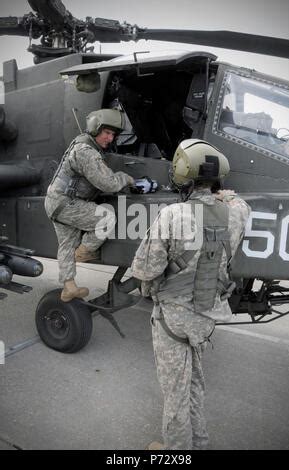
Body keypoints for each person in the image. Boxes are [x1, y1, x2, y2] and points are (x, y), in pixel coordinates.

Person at [131, 139, 251, 450]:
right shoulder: (239, 213)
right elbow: (236, 203)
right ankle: (198, 444)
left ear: (183, 176)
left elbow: (144, 270)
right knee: (195, 383)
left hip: (173, 319)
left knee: (175, 393)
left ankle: (176, 451)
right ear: (219, 178)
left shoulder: (172, 214)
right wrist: (225, 197)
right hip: (208, 316)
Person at [45, 108, 134, 302]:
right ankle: (84, 252)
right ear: (95, 129)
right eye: (107, 133)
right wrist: (126, 178)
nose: (110, 139)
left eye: (113, 135)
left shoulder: (84, 146)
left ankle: (69, 287)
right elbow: (108, 183)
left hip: (56, 202)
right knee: (106, 218)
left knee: (66, 244)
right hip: (66, 203)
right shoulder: (87, 152)